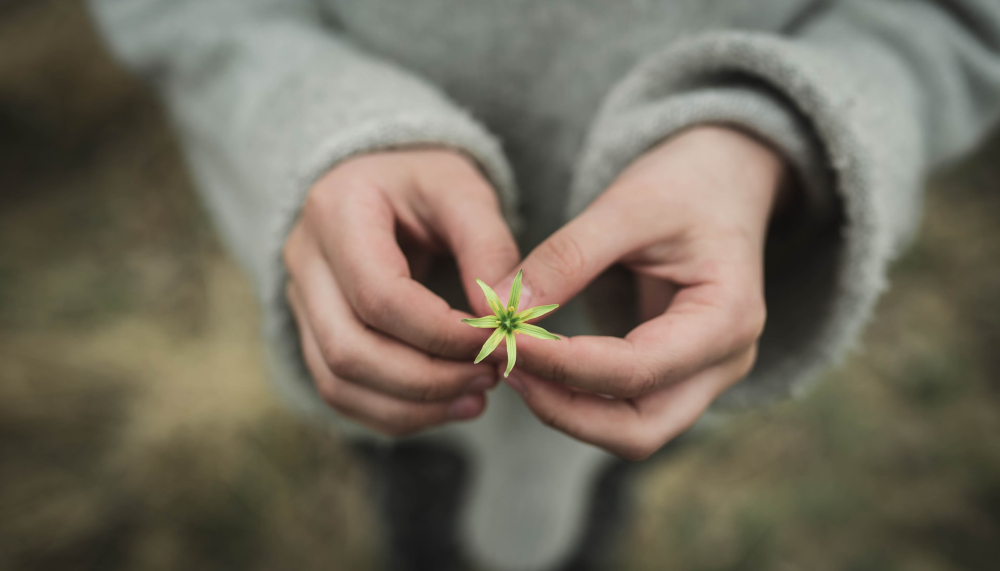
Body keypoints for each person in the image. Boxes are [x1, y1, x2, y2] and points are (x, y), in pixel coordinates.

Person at [87, 0, 1000, 569]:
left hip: (659, 342)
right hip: (394, 345)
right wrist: (311, 116)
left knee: (602, 497)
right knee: (422, 513)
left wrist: (768, 133)